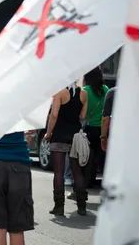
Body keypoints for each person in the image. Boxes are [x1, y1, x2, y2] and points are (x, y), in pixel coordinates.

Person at [45, 83, 88, 216]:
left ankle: (59, 206)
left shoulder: (59, 93)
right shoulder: (83, 94)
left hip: (59, 135)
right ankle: (81, 206)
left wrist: (48, 133)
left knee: (59, 172)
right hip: (75, 136)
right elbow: (82, 116)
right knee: (77, 172)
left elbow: (54, 115)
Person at [82, 67, 109, 187]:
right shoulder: (106, 89)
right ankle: (93, 181)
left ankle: (84, 183)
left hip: (87, 128)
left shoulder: (84, 91)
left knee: (85, 157)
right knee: (96, 159)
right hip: (101, 128)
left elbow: (81, 113)